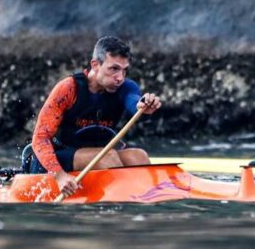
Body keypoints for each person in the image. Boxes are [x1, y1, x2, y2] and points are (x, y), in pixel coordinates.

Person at [29, 36, 162, 197]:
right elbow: (40, 138)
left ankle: (142, 198)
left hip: (97, 155)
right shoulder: (69, 89)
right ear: (95, 65)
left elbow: (133, 101)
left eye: (124, 70)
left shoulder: (126, 87)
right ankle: (121, 200)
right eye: (113, 69)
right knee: (108, 158)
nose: (120, 77)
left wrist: (143, 106)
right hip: (58, 158)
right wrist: (60, 176)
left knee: (139, 156)